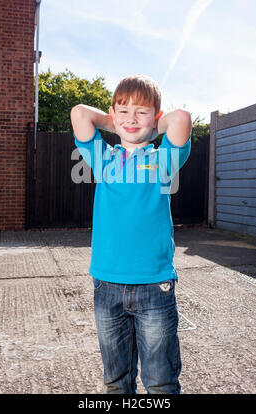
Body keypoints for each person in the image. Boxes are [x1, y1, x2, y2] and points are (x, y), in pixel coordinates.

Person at [70, 74, 192, 394]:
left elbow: (181, 119)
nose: (132, 118)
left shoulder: (162, 161)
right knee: (116, 382)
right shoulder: (103, 158)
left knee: (161, 381)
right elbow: (80, 113)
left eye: (142, 111)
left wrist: (148, 127)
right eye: (123, 111)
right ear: (112, 116)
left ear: (156, 117)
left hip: (154, 285)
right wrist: (119, 123)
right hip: (107, 285)